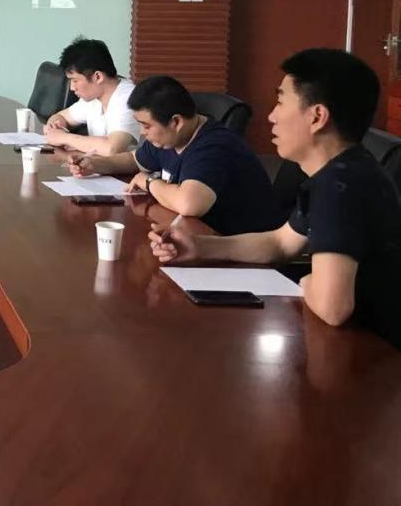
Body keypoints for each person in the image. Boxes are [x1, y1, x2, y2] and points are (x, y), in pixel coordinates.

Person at [151, 49, 401, 347]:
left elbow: (332, 308)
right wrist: (201, 246)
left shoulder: (339, 186)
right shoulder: (340, 171)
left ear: (317, 117)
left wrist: (307, 280)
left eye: (281, 102)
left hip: (373, 353)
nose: (271, 116)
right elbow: (280, 243)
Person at [67, 74, 282, 235]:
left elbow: (189, 204)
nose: (142, 132)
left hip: (241, 253)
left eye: (146, 125)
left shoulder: (214, 146)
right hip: (200, 238)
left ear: (176, 122)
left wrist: (149, 182)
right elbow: (135, 160)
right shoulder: (168, 138)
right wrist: (95, 164)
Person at [44, 37, 142, 154]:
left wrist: (65, 138)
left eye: (75, 80)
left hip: (128, 166)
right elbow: (61, 116)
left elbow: (112, 149)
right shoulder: (93, 97)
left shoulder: (128, 98)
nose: (72, 88)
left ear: (98, 77)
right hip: (96, 163)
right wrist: (53, 128)